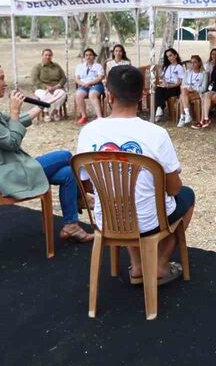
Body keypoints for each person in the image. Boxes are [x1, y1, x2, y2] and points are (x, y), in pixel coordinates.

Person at [77, 65, 194, 285]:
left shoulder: (88, 132)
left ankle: (138, 266)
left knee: (120, 198)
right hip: (148, 221)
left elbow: (87, 184)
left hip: (106, 219)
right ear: (142, 96)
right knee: (187, 196)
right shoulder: (156, 134)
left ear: (109, 95)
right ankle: (159, 265)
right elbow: (174, 189)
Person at [0, 60, 92, 242]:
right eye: (1, 78)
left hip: (8, 167)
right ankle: (81, 197)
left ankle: (71, 225)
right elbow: (12, 141)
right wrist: (14, 111)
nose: (5, 83)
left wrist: (40, 106)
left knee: (68, 173)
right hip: (0, 178)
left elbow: (9, 123)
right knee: (66, 156)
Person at [30, 48, 67, 121]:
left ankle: (55, 112)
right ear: (42, 56)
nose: (48, 57)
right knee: (45, 95)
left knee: (62, 93)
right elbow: (35, 80)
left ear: (52, 56)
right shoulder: (37, 67)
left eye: (49, 55)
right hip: (42, 89)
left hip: (56, 88)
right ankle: (46, 113)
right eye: (46, 55)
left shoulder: (56, 66)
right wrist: (46, 86)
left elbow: (64, 78)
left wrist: (58, 86)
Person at [75, 48, 105, 125]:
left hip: (96, 84)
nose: (88, 57)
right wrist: (82, 84)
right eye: (86, 55)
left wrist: (90, 83)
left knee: (92, 94)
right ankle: (84, 116)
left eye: (90, 55)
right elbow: (77, 78)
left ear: (94, 56)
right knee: (78, 95)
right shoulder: (79, 67)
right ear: (84, 57)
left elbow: (100, 77)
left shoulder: (98, 66)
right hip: (83, 85)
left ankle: (99, 117)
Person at [154, 48, 185, 122]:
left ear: (175, 55)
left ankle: (159, 109)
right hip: (166, 86)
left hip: (175, 87)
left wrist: (170, 86)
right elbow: (163, 77)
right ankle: (159, 108)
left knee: (162, 91)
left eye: (171, 55)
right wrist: (164, 82)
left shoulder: (180, 67)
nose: (169, 58)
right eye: (168, 56)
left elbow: (180, 82)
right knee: (158, 89)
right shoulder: (166, 67)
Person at [177, 55, 208, 128]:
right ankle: (186, 115)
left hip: (197, 93)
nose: (193, 64)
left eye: (195, 62)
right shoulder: (188, 72)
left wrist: (193, 88)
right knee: (183, 93)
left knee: (182, 95)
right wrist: (188, 88)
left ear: (199, 63)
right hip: (187, 92)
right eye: (191, 62)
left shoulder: (204, 74)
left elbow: (203, 88)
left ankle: (183, 117)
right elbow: (182, 85)